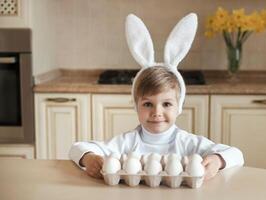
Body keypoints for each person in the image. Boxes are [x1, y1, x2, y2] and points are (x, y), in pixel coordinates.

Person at [69, 13, 244, 181]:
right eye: (147, 104)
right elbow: (76, 148)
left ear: (179, 106)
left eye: (166, 104)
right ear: (136, 106)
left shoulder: (188, 143)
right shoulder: (127, 143)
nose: (156, 112)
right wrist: (88, 158)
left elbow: (236, 154)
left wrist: (217, 161)